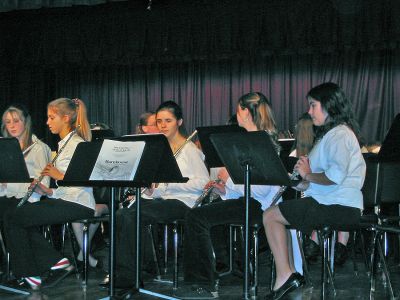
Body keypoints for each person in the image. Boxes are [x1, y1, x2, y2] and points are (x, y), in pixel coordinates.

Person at [177, 92, 302, 299]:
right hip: (248, 202)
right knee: (199, 215)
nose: (236, 114)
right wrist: (224, 189)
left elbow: (262, 188)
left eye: (238, 109)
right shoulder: (252, 139)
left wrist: (229, 179)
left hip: (259, 207)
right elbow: (248, 185)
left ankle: (203, 280)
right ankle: (215, 271)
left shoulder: (259, 141)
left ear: (245, 112)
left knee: (196, 217)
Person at [263, 82, 366, 300]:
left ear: (330, 106)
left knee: (271, 216)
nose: (309, 112)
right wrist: (299, 182)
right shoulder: (331, 135)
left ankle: (286, 276)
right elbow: (320, 182)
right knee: (277, 215)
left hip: (339, 206)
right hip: (330, 202)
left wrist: (308, 174)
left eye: (313, 106)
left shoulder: (340, 135)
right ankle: (289, 274)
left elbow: (335, 177)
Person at [100, 100, 209, 288]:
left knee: (132, 215)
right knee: (122, 213)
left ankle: (129, 276)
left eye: (168, 120)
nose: (163, 125)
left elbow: (203, 184)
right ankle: (126, 271)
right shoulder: (162, 149)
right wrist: (152, 189)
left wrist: (171, 183)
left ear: (179, 122)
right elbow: (163, 187)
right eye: (159, 121)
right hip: (165, 200)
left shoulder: (189, 150)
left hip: (185, 203)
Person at [3, 98, 96, 290]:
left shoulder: (77, 143)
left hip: (79, 204)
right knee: (15, 216)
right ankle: (47, 267)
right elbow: (65, 187)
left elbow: (83, 180)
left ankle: (35, 272)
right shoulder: (64, 143)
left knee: (15, 216)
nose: (47, 122)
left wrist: (57, 176)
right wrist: (48, 190)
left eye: (51, 117)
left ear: (66, 117)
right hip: (66, 199)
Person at [0, 105, 51, 220]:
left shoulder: (39, 148)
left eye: (16, 121)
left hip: (29, 200)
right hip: (6, 197)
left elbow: (43, 184)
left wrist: (8, 184)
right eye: (8, 122)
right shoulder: (5, 148)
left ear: (26, 122)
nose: (12, 126)